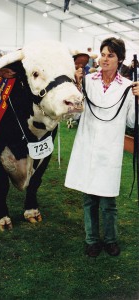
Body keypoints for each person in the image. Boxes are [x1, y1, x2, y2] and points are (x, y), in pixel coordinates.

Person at [65, 37, 139, 258]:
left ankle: (110, 240)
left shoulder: (127, 87)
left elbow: (133, 122)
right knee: (89, 199)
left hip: (110, 150)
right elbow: (74, 114)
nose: (105, 59)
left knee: (108, 201)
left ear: (120, 60)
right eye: (103, 54)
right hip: (87, 147)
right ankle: (91, 240)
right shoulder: (87, 81)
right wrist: (75, 88)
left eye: (111, 55)